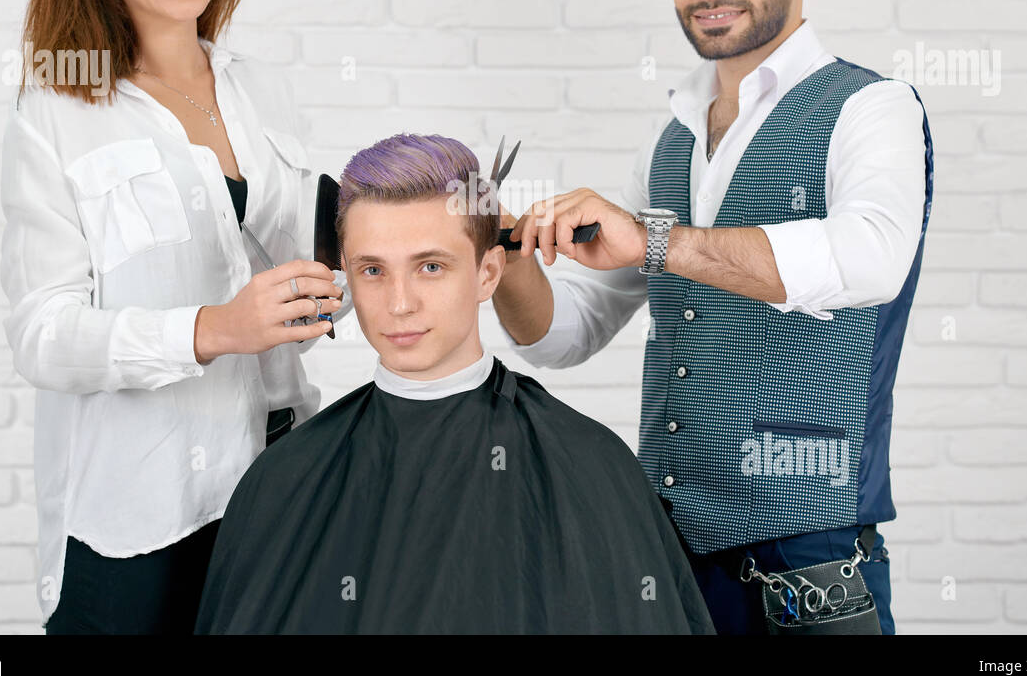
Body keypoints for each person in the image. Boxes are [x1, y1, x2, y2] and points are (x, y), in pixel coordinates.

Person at [492, 0, 934, 635]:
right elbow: (564, 334)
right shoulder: (668, 141)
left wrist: (657, 242)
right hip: (664, 555)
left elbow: (871, 258)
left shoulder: (873, 108)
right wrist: (508, 264)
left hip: (813, 559)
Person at [0, 0, 350, 634]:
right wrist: (211, 329)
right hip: (136, 521)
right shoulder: (56, 109)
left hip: (274, 497)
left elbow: (307, 264)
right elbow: (42, 334)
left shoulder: (260, 87)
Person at [194, 134, 716, 634]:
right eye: (373, 270)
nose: (400, 303)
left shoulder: (590, 465)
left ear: (488, 273)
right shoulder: (285, 477)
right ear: (346, 276)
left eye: (430, 267)